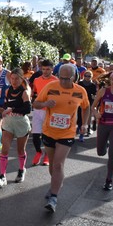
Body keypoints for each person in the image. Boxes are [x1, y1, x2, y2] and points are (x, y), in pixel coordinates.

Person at [32, 63, 90, 213]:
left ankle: (54, 197)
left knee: (58, 165)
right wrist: (45, 103)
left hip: (67, 133)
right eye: (61, 78)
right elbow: (36, 104)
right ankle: (55, 185)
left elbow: (86, 107)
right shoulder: (51, 86)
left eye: (66, 79)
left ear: (74, 77)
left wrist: (84, 123)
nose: (63, 81)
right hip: (49, 131)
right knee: (52, 165)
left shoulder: (80, 91)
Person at [0, 68, 32, 186]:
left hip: (21, 123)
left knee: (20, 150)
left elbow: (27, 109)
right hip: (8, 122)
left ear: (21, 79)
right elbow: (6, 105)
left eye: (16, 79)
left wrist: (12, 109)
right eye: (12, 78)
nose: (14, 81)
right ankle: (2, 176)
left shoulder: (24, 92)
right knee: (5, 149)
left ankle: (21, 170)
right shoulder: (8, 90)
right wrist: (2, 109)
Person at [29, 59, 58, 166]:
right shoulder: (36, 80)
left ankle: (47, 155)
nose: (45, 71)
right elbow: (35, 92)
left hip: (50, 111)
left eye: (48, 69)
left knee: (48, 136)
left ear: (52, 69)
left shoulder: (56, 81)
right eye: (44, 69)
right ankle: (38, 152)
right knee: (36, 135)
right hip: (38, 110)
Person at [77, 71, 97, 141]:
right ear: (83, 76)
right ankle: (79, 129)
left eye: (89, 76)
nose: (87, 77)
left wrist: (94, 97)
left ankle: (81, 135)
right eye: (86, 76)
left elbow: (95, 95)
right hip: (79, 103)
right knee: (79, 118)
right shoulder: (80, 83)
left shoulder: (93, 85)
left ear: (91, 77)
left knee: (85, 119)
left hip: (88, 104)